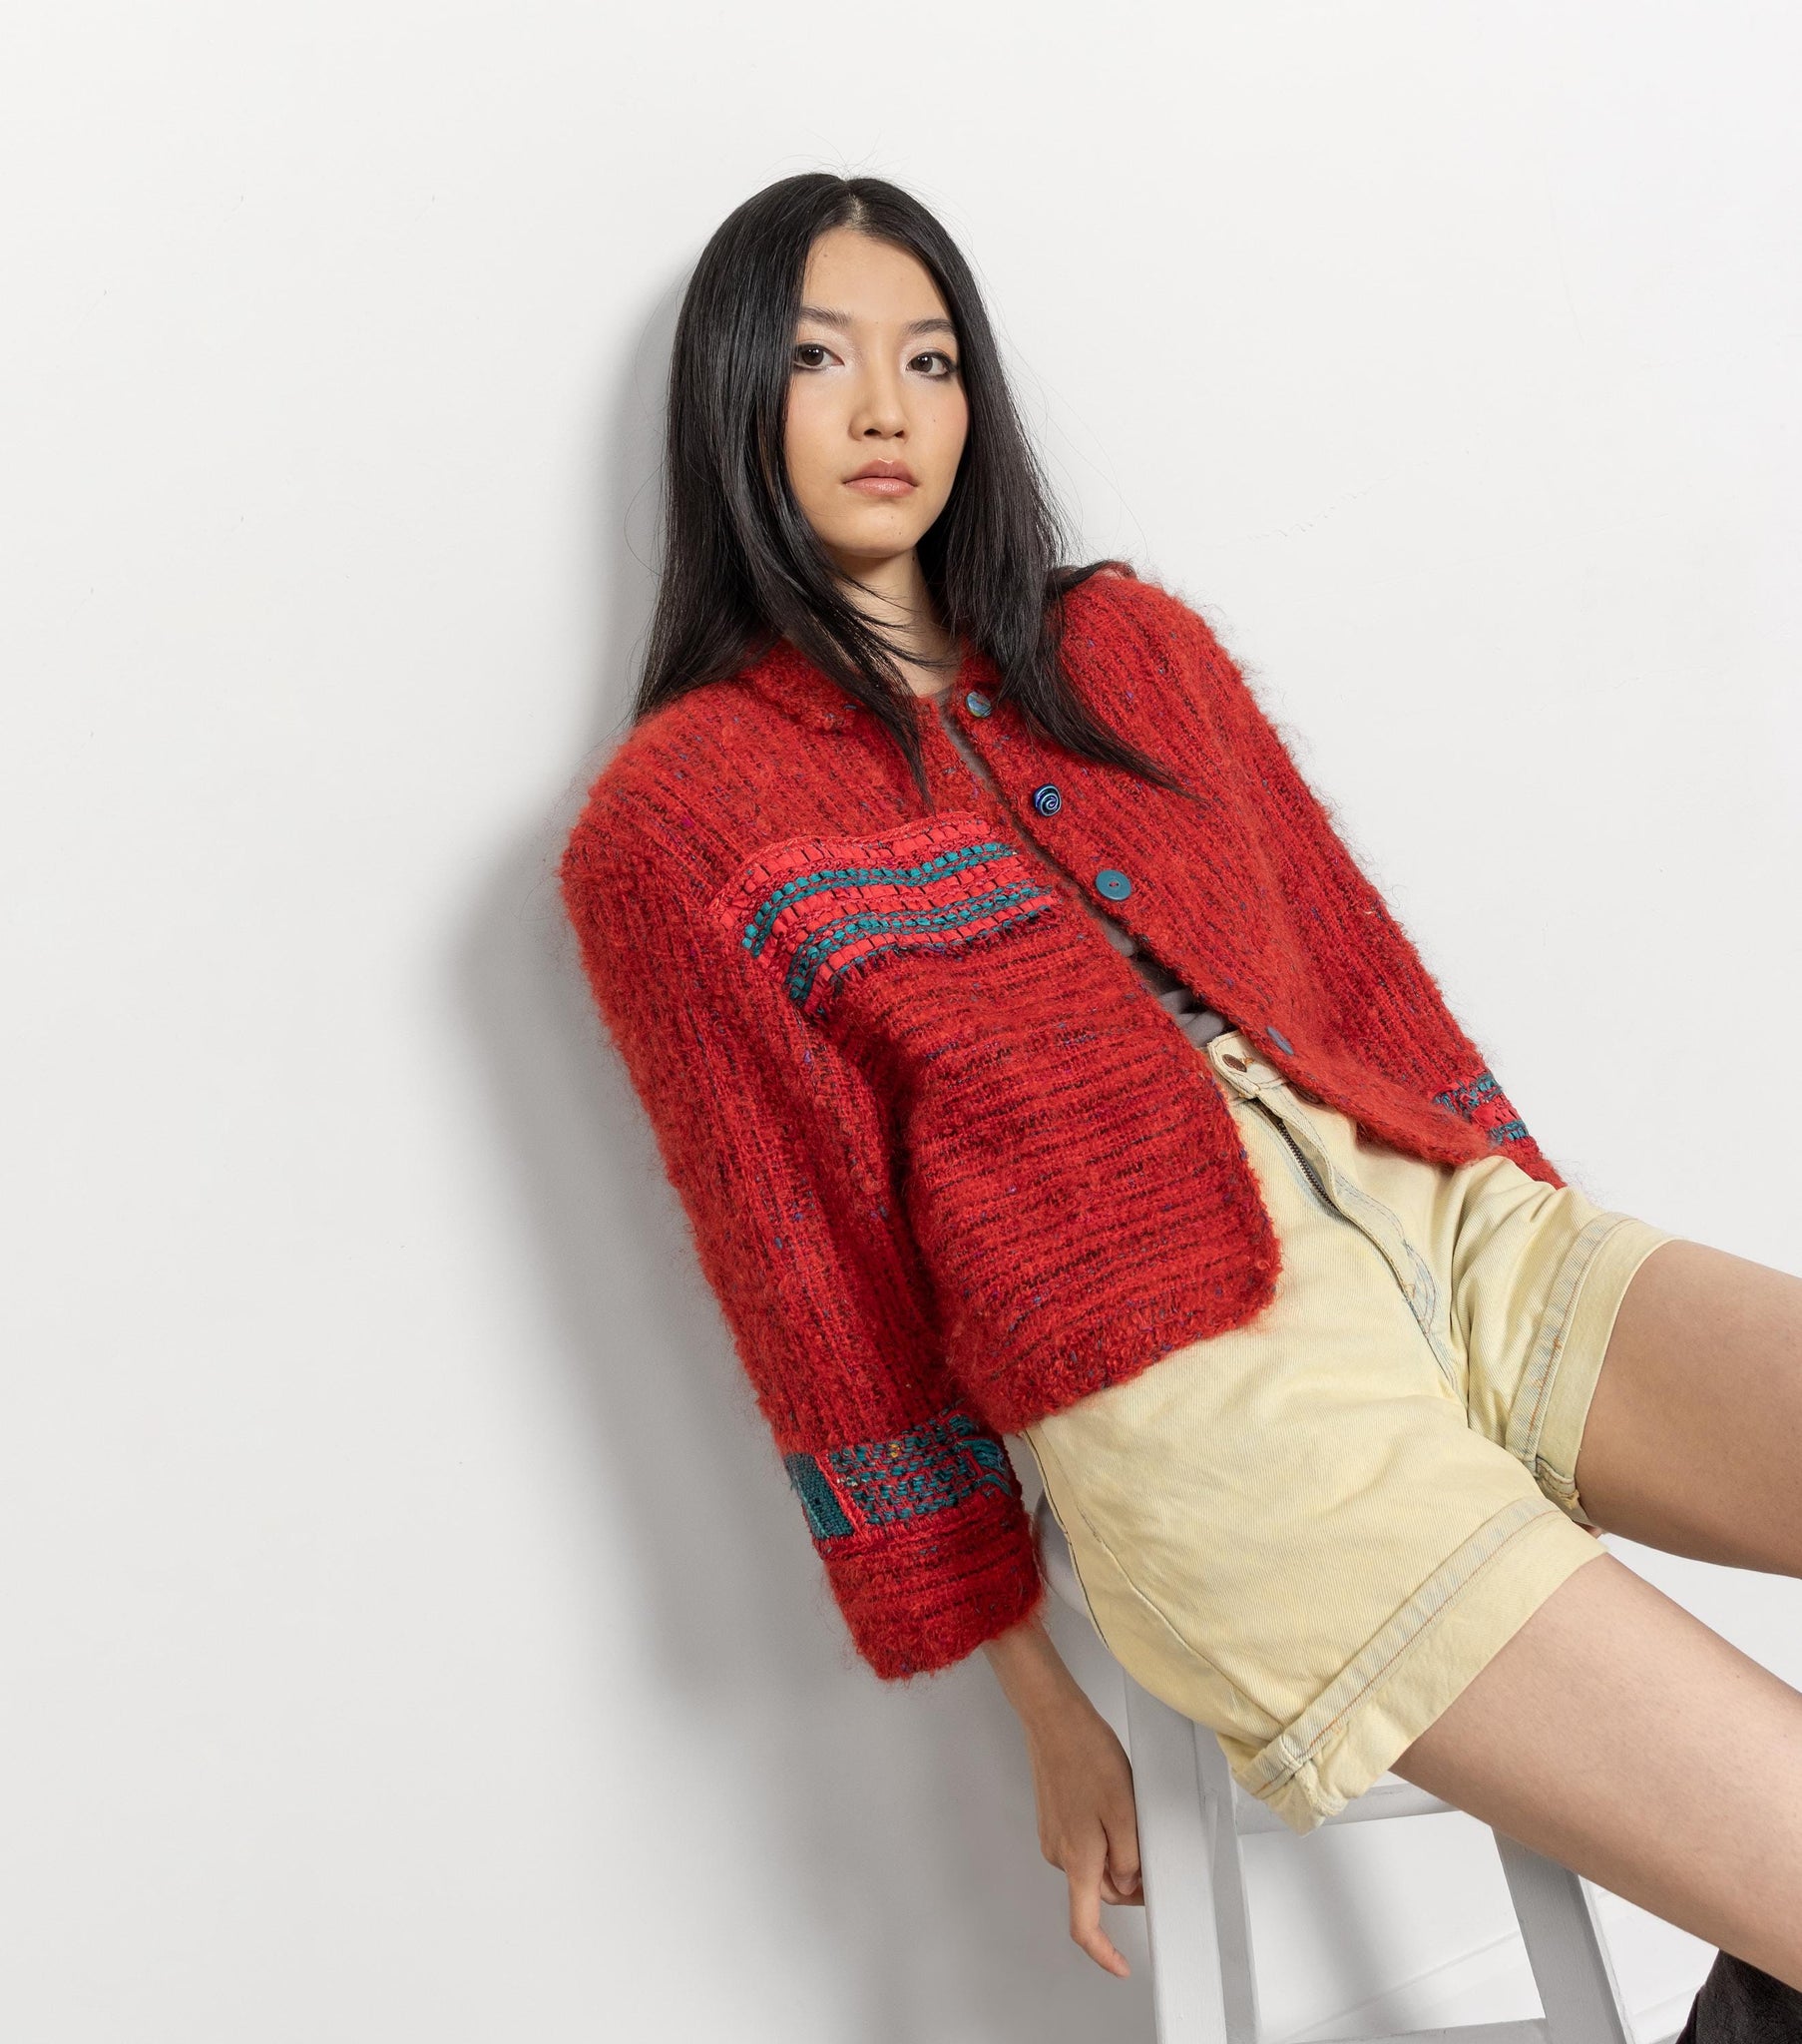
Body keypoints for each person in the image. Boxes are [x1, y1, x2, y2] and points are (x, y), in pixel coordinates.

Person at [559, 172, 1802, 2024]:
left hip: (1468, 1249)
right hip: (1213, 1420)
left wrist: (1554, 1310)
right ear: (732, 392)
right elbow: (823, 1305)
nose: (886, 410)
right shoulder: (677, 825)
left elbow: (1367, 996)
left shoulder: (1132, 650)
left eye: (930, 360)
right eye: (820, 360)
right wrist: (1037, 1700)